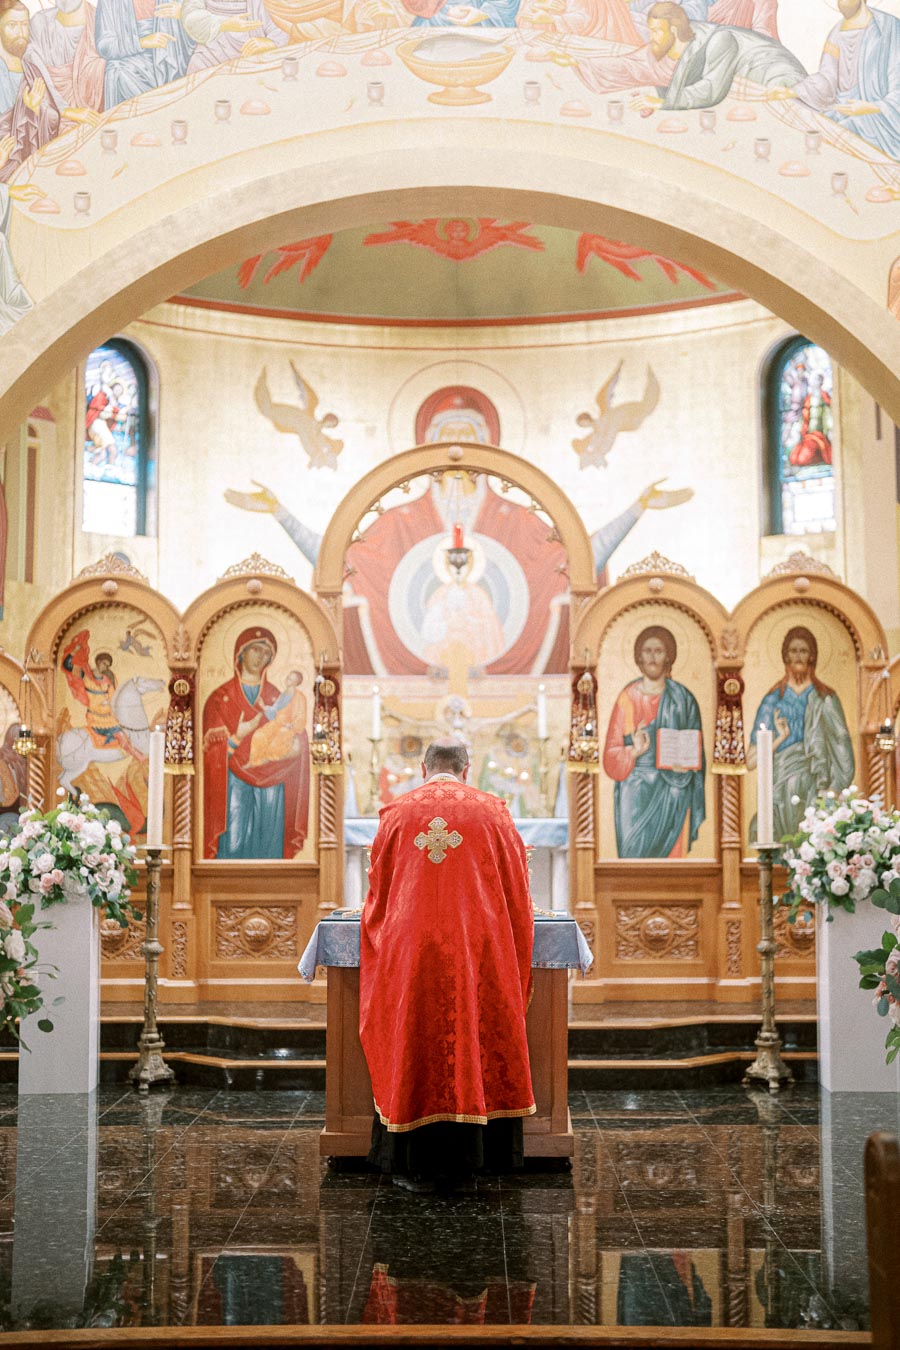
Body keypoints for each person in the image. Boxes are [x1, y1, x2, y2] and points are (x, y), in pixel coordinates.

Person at [360, 737, 535, 1192]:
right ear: (466, 769)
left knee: (412, 1039)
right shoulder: (493, 811)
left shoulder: (397, 812)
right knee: (471, 1035)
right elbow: (518, 890)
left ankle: (409, 1155)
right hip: (475, 950)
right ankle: (482, 1156)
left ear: (423, 769)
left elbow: (378, 893)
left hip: (411, 951)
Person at [201, 626, 310, 859]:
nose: (261, 656)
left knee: (269, 838)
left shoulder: (276, 697)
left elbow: (295, 730)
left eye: (266, 653)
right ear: (240, 653)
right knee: (234, 837)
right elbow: (208, 757)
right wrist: (237, 737)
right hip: (233, 782)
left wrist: (297, 741)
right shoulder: (220, 699)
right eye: (255, 649)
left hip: (272, 779)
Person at [602, 624, 706, 857]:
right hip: (636, 788)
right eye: (647, 651)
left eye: (658, 651)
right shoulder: (627, 697)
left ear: (668, 655)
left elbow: (696, 748)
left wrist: (687, 765)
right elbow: (610, 755)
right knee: (632, 854)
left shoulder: (683, 698)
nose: (652, 657)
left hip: (673, 787)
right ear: (639, 655)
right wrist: (634, 752)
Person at [747, 626, 855, 842]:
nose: (798, 656)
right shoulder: (772, 700)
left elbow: (841, 745)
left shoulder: (825, 698)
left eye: (803, 650)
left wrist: (834, 788)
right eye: (793, 650)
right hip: (779, 787)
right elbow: (750, 761)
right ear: (785, 655)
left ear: (812, 656)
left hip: (815, 785)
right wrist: (780, 738)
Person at [768, 0, 900, 161]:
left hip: (880, 118)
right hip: (841, 108)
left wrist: (870, 107)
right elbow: (827, 78)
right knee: (798, 113)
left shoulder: (888, 28)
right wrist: (793, 91)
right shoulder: (837, 32)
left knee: (840, 131)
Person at [630, 1, 805, 114]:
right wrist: (657, 96)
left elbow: (710, 90)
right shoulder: (695, 38)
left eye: (656, 32)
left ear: (674, 30)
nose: (653, 38)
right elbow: (685, 78)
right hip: (758, 87)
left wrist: (663, 102)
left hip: (782, 83)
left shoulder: (720, 40)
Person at [246, 668, 308, 767]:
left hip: (288, 728)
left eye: (291, 680)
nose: (288, 680)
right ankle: (253, 761)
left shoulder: (300, 697)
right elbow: (274, 711)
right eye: (288, 678)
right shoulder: (283, 695)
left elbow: (301, 717)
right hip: (277, 723)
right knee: (259, 735)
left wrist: (291, 725)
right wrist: (263, 706)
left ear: (296, 683)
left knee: (276, 741)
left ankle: (264, 759)